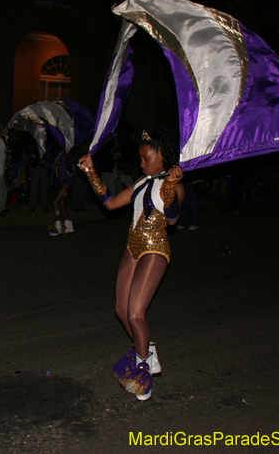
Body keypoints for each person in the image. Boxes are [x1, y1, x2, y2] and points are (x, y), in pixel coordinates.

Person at [78, 127, 184, 401]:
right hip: (132, 246)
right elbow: (111, 203)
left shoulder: (175, 185)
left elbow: (172, 220)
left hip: (155, 248)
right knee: (121, 310)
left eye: (146, 158)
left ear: (163, 158)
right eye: (140, 158)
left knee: (136, 314)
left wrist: (171, 187)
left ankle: (143, 371)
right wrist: (90, 171)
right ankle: (148, 350)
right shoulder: (141, 181)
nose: (141, 163)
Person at [48, 150, 75, 235]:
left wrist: (68, 159)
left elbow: (72, 167)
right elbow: (54, 167)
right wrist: (44, 162)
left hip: (67, 181)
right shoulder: (59, 154)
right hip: (60, 180)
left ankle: (57, 227)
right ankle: (69, 227)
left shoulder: (69, 154)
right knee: (61, 203)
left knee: (55, 202)